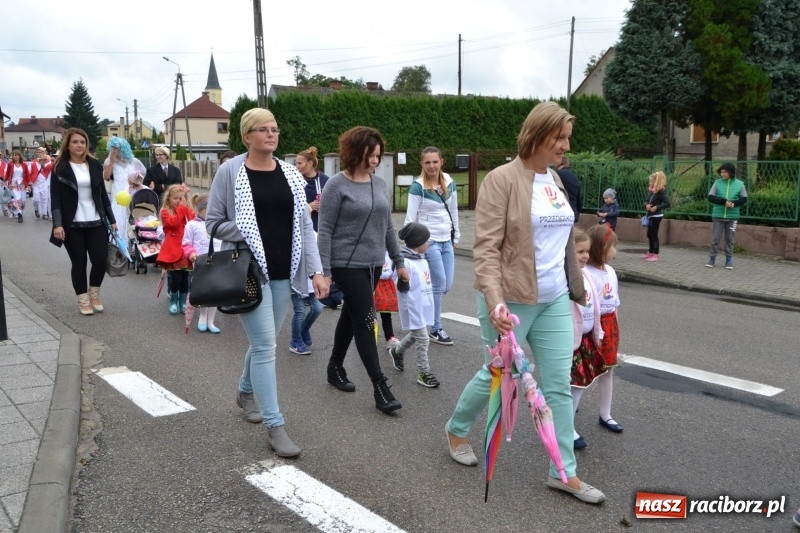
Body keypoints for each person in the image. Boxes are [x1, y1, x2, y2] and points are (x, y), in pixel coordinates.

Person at [444, 101, 605, 504]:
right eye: (560, 138)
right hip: (510, 302)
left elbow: (566, 238)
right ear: (537, 134)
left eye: (567, 138)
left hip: (552, 300)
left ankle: (563, 472)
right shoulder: (502, 179)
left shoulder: (557, 180)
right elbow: (485, 249)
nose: (566, 146)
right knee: (498, 377)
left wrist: (577, 286)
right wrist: (495, 301)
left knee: (558, 387)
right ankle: (457, 427)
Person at [206, 107, 328, 457]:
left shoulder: (291, 174)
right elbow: (213, 222)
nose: (271, 134)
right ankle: (275, 427)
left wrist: (316, 271)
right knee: (264, 347)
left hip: (283, 270)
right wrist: (246, 229)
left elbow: (305, 226)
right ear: (247, 137)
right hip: (248, 270)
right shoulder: (230, 172)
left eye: (274, 129)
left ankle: (245, 392)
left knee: (266, 342)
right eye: (263, 129)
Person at [316, 125, 409, 414]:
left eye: (378, 156)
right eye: (370, 155)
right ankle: (380, 388)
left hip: (373, 265)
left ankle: (334, 367)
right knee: (367, 320)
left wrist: (399, 261)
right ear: (355, 152)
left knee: (351, 315)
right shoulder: (336, 185)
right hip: (345, 264)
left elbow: (387, 228)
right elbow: (325, 230)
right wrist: (326, 270)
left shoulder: (378, 184)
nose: (374, 161)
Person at [49, 128, 117, 316]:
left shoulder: (94, 165)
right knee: (79, 263)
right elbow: (55, 198)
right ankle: (83, 300)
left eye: (83, 142)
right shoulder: (59, 167)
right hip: (72, 223)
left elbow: (102, 194)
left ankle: (94, 293)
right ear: (68, 145)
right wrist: (58, 224)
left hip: (96, 220)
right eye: (75, 142)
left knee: (100, 260)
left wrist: (111, 220)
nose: (79, 145)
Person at [570, 226, 622, 451]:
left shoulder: (608, 272)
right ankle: (566, 422)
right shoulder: (583, 274)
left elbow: (609, 304)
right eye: (613, 246)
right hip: (581, 331)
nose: (616, 251)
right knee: (576, 379)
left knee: (601, 372)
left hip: (603, 328)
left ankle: (605, 414)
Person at [403, 146, 459, 346]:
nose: (432, 166)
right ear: (422, 164)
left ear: (441, 162)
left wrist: (456, 237)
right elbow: (410, 220)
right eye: (427, 162)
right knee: (439, 284)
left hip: (447, 240)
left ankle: (422, 305)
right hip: (430, 242)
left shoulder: (449, 181)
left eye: (435, 161)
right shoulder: (418, 187)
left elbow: (453, 212)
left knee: (446, 285)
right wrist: (414, 245)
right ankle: (436, 328)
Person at [387, 222, 440, 388]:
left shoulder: (422, 259)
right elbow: (398, 282)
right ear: (417, 243)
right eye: (426, 241)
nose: (428, 244)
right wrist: (404, 282)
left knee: (417, 334)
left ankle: (397, 351)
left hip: (424, 304)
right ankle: (424, 372)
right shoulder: (405, 262)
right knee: (423, 339)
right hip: (412, 306)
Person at [182, 193, 220, 333]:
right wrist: (191, 253)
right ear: (200, 209)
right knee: (204, 291)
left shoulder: (218, 224)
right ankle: (203, 316)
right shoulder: (192, 225)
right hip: (200, 263)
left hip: (218, 262)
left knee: (215, 292)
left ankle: (211, 321)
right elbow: (186, 243)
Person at [157, 184, 195, 315]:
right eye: (175, 198)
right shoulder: (165, 212)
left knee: (185, 278)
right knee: (176, 277)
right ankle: (173, 300)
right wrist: (182, 208)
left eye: (181, 198)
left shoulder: (185, 210)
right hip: (173, 249)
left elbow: (193, 221)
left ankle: (183, 301)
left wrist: (186, 208)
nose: (178, 201)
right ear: (168, 199)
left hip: (186, 249)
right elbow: (173, 223)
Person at [706, 162, 748, 270]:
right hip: (718, 215)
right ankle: (712, 259)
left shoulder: (740, 184)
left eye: (725, 172)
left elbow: (744, 198)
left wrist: (733, 203)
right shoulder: (717, 183)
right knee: (715, 238)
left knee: (729, 239)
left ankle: (728, 260)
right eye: (721, 172)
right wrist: (724, 202)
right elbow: (710, 197)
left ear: (731, 172)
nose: (722, 174)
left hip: (732, 216)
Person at [104, 137, 145, 244]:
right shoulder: (109, 161)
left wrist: (137, 184)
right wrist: (112, 162)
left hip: (132, 191)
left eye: (116, 148)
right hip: (118, 193)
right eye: (112, 148)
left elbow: (142, 175)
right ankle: (119, 246)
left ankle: (134, 244)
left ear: (123, 148)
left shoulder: (134, 161)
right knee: (118, 218)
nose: (114, 150)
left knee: (132, 218)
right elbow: (106, 177)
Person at [294, 146, 329, 232]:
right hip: (302, 228)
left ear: (310, 163)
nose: (296, 166)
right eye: (296, 163)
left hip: (321, 227)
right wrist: (308, 207)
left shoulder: (325, 180)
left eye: (300, 163)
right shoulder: (295, 181)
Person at [374, 251, 401, 351]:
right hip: (372, 281)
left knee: (386, 311)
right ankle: (368, 336)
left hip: (386, 282)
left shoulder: (390, 251)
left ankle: (389, 337)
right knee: (370, 312)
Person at [643, 171, 670, 262]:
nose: (650, 183)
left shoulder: (661, 192)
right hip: (650, 215)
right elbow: (646, 201)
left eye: (651, 181)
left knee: (654, 234)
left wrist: (657, 207)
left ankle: (656, 254)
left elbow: (667, 203)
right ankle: (650, 252)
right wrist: (646, 205)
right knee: (649, 234)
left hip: (656, 216)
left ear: (656, 182)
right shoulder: (651, 191)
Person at [5, 150, 31, 222]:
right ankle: (20, 215)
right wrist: (5, 181)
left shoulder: (24, 165)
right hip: (13, 184)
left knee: (23, 200)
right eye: (13, 155)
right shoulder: (10, 164)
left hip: (22, 184)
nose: (14, 156)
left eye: (16, 155)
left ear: (19, 156)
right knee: (17, 199)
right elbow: (7, 174)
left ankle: (17, 211)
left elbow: (27, 174)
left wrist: (28, 184)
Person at [557, 155, 582, 221]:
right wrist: (577, 212)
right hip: (573, 212)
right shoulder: (574, 177)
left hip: (560, 212)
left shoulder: (556, 175)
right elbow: (579, 199)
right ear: (568, 164)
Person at [31, 147, 53, 220]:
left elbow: (45, 168)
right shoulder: (33, 162)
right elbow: (29, 172)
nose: (38, 154)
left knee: (44, 199)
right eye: (37, 152)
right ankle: (36, 209)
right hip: (36, 184)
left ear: (44, 153)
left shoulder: (48, 162)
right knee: (36, 199)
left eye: (40, 152)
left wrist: (43, 160)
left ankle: (44, 214)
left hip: (44, 183)